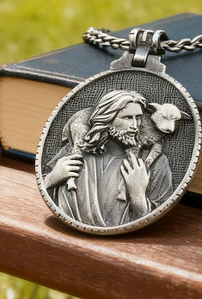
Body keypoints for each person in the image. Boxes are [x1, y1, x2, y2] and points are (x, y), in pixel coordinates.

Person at [43, 90, 174, 230]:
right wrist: (52, 178)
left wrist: (138, 196)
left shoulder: (156, 163)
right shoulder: (74, 152)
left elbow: (160, 213)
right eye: (127, 117)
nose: (135, 126)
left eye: (138, 117)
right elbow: (45, 186)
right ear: (107, 119)